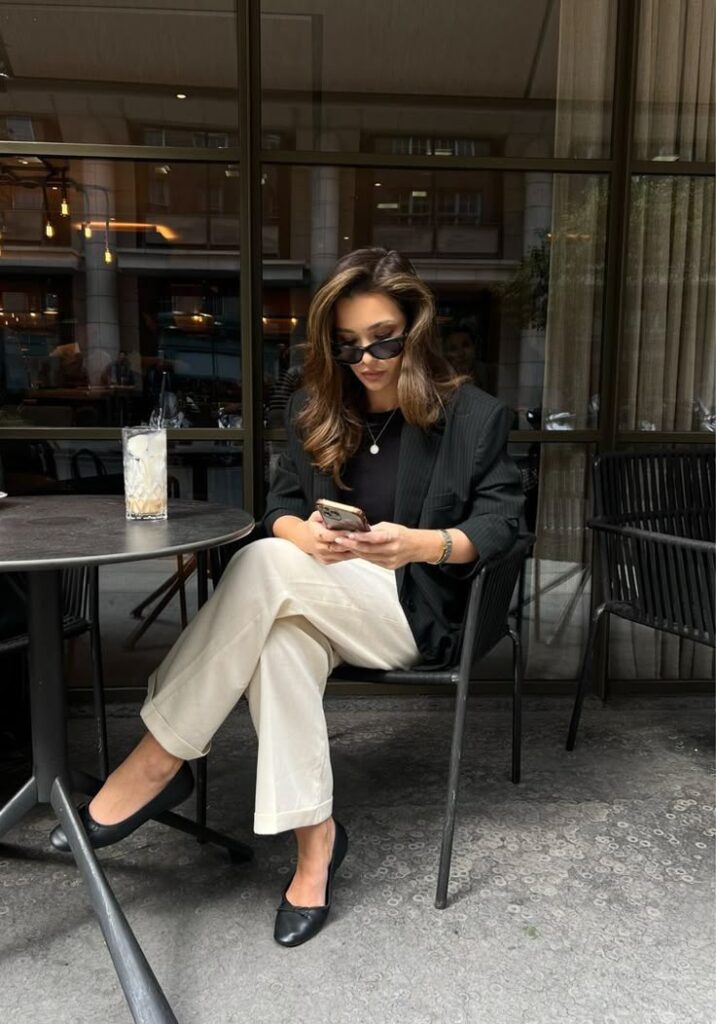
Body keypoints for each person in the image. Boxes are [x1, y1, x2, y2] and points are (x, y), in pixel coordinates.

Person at [50, 248, 525, 947]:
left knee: (266, 564)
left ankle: (160, 758)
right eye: (349, 344)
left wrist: (419, 544)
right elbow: (278, 506)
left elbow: (503, 522)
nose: (369, 357)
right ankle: (316, 845)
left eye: (385, 339)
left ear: (415, 330)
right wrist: (303, 532)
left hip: (413, 608)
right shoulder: (316, 408)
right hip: (319, 596)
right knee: (277, 635)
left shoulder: (474, 417)